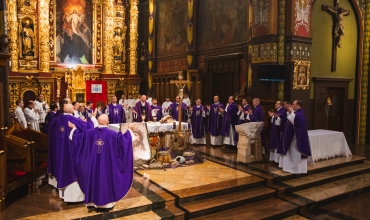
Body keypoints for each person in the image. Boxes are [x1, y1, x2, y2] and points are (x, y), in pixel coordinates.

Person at [68, 114, 135, 212]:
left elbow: (77, 138)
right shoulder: (112, 134)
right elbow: (124, 141)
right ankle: (107, 204)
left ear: (98, 122)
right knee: (106, 179)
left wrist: (73, 129)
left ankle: (92, 202)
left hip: (93, 165)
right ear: (108, 122)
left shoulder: (89, 133)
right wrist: (129, 130)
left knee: (93, 178)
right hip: (107, 166)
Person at [47, 104, 96, 203]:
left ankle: (63, 194)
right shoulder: (74, 120)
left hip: (60, 151)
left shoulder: (57, 119)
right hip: (71, 152)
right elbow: (88, 129)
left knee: (62, 169)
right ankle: (74, 198)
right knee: (72, 171)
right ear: (71, 111)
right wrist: (92, 119)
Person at [278, 100, 311, 174]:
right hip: (291, 136)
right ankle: (289, 167)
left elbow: (297, 123)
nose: (292, 105)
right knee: (290, 152)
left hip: (295, 138)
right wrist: (291, 113)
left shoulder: (300, 113)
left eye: (294, 104)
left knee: (295, 152)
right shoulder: (297, 112)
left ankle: (295, 169)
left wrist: (291, 113)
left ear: (298, 105)